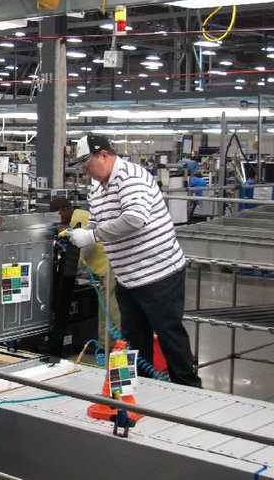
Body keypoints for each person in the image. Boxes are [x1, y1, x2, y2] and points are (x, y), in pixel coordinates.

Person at [68, 134, 201, 388]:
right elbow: (97, 221)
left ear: (104, 155)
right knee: (134, 339)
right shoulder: (97, 186)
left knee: (169, 335)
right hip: (128, 277)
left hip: (159, 273)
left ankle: (189, 391)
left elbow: (134, 219)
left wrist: (93, 234)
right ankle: (141, 391)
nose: (85, 170)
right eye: (81, 165)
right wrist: (85, 238)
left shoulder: (131, 177)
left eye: (86, 162)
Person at [50, 195, 121, 353]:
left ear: (64, 210)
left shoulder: (78, 218)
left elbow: (86, 247)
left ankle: (116, 348)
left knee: (111, 312)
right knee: (105, 311)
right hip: (105, 270)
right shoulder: (81, 215)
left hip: (109, 268)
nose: (59, 221)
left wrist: (73, 269)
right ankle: (105, 346)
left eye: (58, 215)